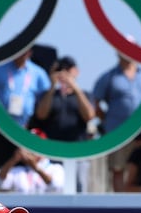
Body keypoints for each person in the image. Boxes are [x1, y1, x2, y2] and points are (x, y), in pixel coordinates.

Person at [92, 37, 141, 192]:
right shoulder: (109, 76)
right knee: (118, 169)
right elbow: (96, 103)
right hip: (117, 132)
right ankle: (119, 203)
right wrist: (108, 121)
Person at [33, 55, 95, 192]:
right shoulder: (47, 95)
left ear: (76, 71)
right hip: (53, 153)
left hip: (78, 153)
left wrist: (75, 88)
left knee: (80, 189)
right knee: (54, 190)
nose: (64, 74)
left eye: (68, 70)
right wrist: (52, 87)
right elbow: (41, 114)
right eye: (60, 70)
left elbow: (89, 115)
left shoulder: (85, 94)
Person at [0, 46, 51, 168]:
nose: (21, 54)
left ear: (30, 53)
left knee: (24, 168)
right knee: (2, 169)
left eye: (24, 51)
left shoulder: (38, 73)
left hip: (25, 129)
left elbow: (45, 97)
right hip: (2, 130)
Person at [0, 129, 65, 194]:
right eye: (28, 145)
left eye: (35, 145)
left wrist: (36, 167)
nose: (30, 149)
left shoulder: (56, 168)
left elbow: (56, 186)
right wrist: (14, 159)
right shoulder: (20, 171)